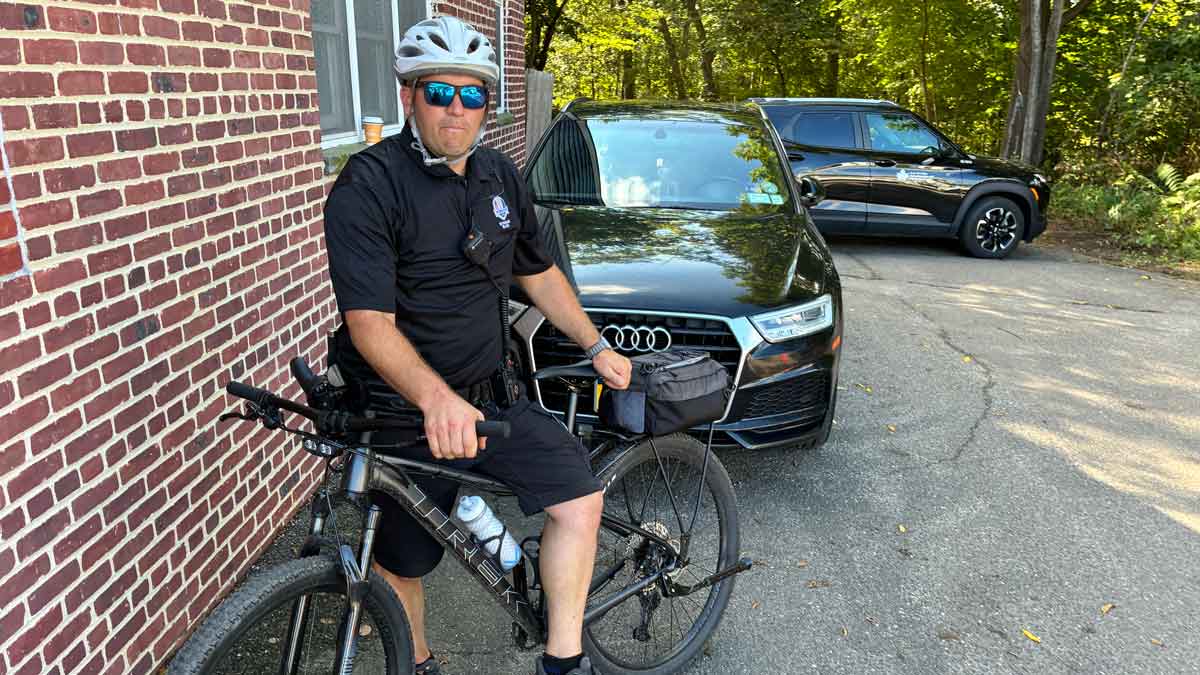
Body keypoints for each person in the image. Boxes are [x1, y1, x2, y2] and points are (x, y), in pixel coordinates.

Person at [321, 16, 632, 675]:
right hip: (404, 412)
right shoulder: (368, 184)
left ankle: (564, 659)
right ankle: (421, 662)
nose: (455, 110)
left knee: (579, 500)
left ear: (488, 104)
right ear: (410, 95)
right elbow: (369, 322)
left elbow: (537, 271)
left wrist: (595, 342)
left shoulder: (498, 175)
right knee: (399, 560)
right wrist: (435, 400)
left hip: (494, 400)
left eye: (472, 95)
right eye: (439, 93)